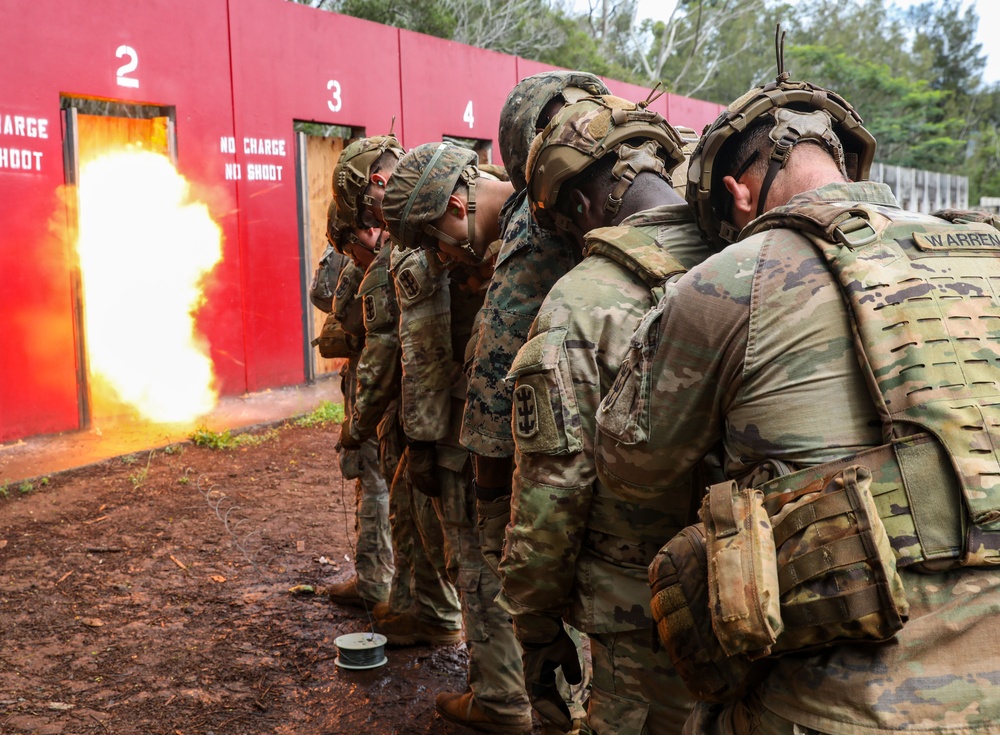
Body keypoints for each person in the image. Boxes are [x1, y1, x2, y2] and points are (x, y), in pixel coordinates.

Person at [595, 61, 1000, 734]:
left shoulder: (729, 280)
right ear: (846, 163)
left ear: (738, 195)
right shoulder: (985, 252)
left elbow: (630, 467)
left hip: (843, 707)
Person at [495, 93, 713, 735]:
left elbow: (552, 494)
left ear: (583, 206)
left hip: (641, 615)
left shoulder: (583, 301)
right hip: (758, 589)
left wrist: (534, 627)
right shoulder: (754, 261)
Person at [381, 143, 537, 734]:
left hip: (479, 442)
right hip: (534, 444)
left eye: (434, 240)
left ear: (453, 203)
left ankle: (500, 697)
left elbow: (425, 358)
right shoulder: (541, 220)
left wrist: (422, 440)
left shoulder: (520, 243)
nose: (437, 258)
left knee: (479, 564)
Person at [332, 135, 463, 644]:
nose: (371, 224)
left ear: (380, 186)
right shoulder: (431, 231)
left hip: (428, 409)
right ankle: (417, 608)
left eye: (368, 209)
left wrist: (358, 424)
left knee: (429, 519)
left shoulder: (405, 248)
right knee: (414, 512)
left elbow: (386, 352)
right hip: (432, 405)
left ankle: (437, 619)